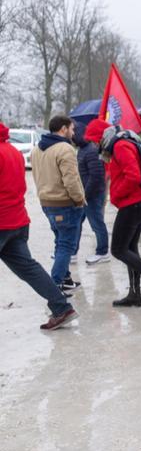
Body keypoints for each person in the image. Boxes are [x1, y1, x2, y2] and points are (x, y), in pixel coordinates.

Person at [84, 119, 141, 307]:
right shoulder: (120, 145)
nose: (93, 145)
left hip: (133, 204)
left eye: (94, 140)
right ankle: (135, 294)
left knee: (118, 249)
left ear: (101, 137)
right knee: (130, 249)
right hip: (138, 203)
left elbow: (133, 176)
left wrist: (116, 194)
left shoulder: (121, 146)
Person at [0, 121, 78, 330]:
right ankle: (61, 308)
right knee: (29, 268)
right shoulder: (13, 152)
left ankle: (62, 308)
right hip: (17, 221)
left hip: (3, 221)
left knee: (29, 268)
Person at [30, 115, 86, 293]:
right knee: (66, 245)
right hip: (65, 203)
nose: (74, 132)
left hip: (47, 202)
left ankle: (65, 279)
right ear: (63, 129)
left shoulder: (37, 149)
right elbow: (71, 180)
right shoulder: (65, 148)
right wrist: (79, 200)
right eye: (72, 128)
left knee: (60, 241)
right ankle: (55, 287)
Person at [74, 123, 110, 265]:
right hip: (85, 195)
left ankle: (103, 252)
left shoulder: (91, 151)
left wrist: (85, 196)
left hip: (92, 195)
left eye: (74, 133)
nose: (72, 136)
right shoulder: (82, 150)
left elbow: (96, 177)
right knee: (77, 223)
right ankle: (72, 251)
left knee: (97, 224)